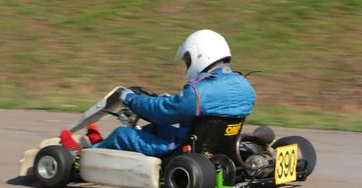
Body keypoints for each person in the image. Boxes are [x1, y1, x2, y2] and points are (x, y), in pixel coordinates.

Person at [59, 29, 257, 157]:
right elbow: (192, 113)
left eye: (188, 60)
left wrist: (131, 99)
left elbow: (163, 113)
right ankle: (104, 146)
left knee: (122, 134)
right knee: (154, 129)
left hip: (183, 149)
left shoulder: (199, 91)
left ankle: (80, 156)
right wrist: (167, 101)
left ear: (200, 55)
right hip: (216, 146)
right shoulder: (244, 86)